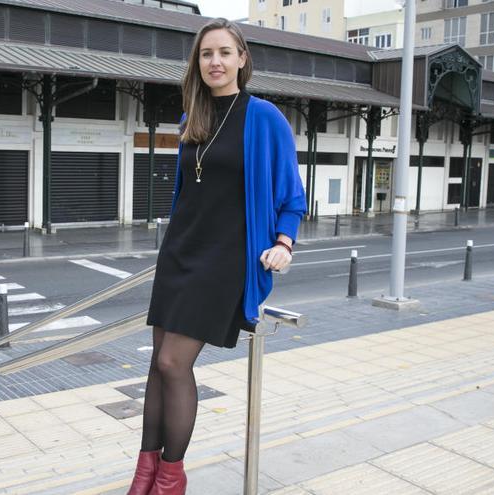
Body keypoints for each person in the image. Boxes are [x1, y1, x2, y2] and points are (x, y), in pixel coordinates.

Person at [128, 18, 306, 495]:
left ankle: (169, 479)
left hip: (226, 259)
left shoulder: (264, 116)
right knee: (156, 365)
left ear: (242, 59)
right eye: (207, 54)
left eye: (225, 52)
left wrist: (283, 244)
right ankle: (142, 476)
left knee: (173, 364)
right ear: (198, 62)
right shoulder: (192, 118)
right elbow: (186, 195)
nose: (216, 62)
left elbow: (292, 195)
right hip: (181, 252)